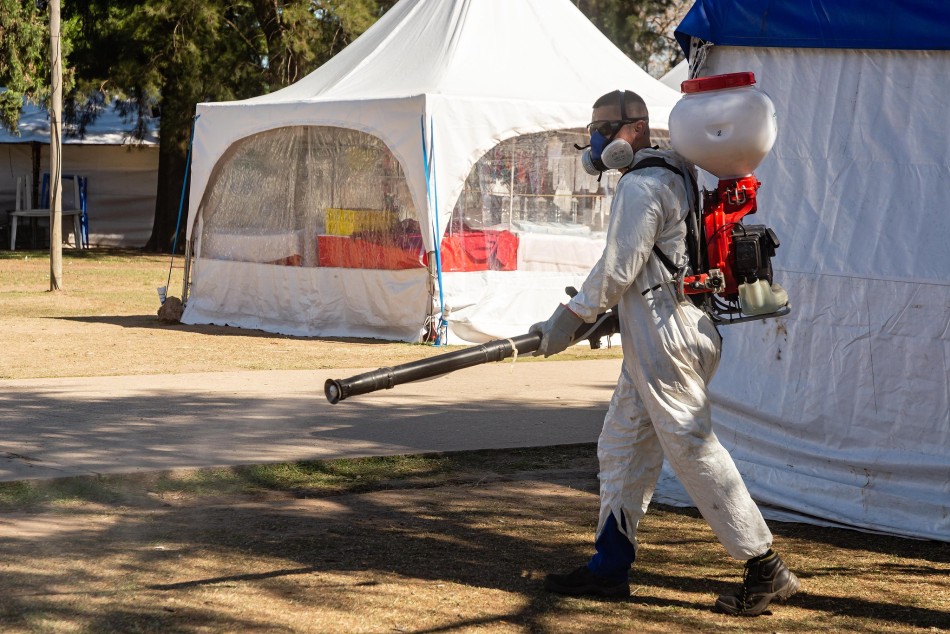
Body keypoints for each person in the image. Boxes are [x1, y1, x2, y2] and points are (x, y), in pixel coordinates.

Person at [530, 89, 800, 617]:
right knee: (621, 445)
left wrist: (569, 320)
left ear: (632, 130)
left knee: (693, 449)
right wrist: (614, 314)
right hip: (668, 329)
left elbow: (616, 269)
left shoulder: (643, 183)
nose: (595, 142)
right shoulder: (678, 170)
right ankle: (608, 569)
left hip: (667, 338)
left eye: (602, 129)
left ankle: (765, 565)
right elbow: (660, 264)